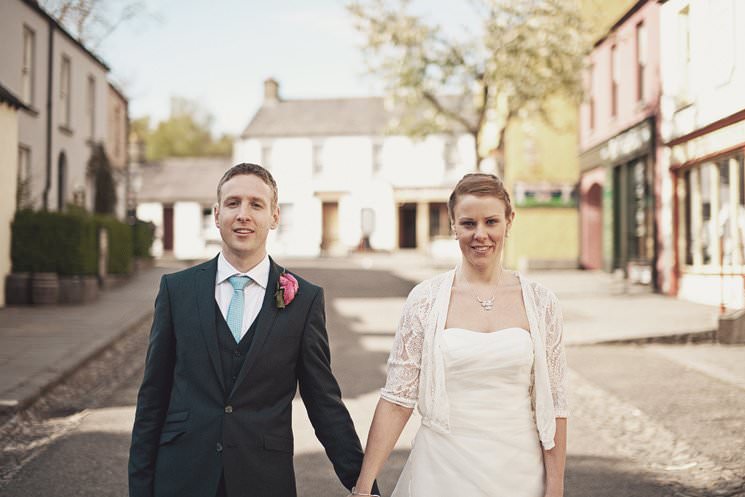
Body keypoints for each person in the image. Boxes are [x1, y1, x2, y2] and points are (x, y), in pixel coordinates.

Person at [128, 163, 375, 497]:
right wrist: (140, 489)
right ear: (217, 215)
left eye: (256, 205)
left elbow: (323, 402)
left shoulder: (304, 300)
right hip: (182, 477)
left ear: (274, 216)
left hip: (263, 480)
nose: (243, 214)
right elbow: (152, 398)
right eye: (233, 203)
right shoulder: (177, 290)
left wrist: (364, 486)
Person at [351, 173, 568, 497]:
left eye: (491, 221)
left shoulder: (541, 303)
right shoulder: (425, 300)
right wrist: (363, 487)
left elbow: (554, 405)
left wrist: (555, 488)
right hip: (442, 469)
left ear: (509, 221)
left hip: (519, 470)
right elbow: (397, 400)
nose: (480, 234)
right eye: (468, 224)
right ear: (453, 225)